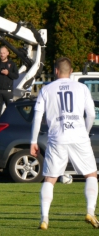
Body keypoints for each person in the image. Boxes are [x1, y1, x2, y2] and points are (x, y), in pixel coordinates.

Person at [30, 57, 99, 230]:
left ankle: (44, 218)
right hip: (79, 136)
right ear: (71, 71)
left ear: (56, 71)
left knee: (50, 179)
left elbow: (37, 116)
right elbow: (91, 114)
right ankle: (90, 211)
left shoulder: (46, 89)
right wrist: (86, 130)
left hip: (57, 137)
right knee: (91, 175)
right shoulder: (82, 88)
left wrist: (33, 140)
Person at [0, 46, 19, 123]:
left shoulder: (12, 64)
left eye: (4, 53)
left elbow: (16, 76)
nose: (2, 55)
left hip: (8, 91)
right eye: (1, 53)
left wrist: (8, 73)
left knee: (10, 108)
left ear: (7, 53)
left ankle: (10, 125)